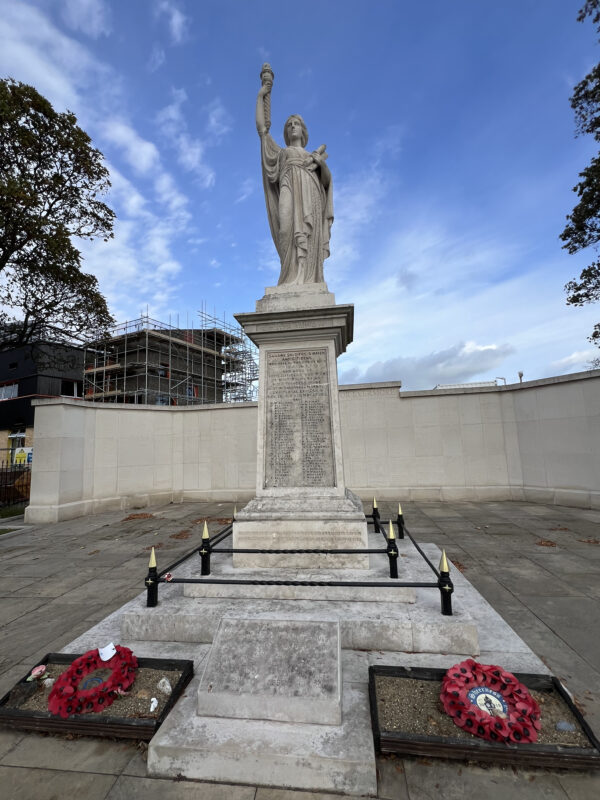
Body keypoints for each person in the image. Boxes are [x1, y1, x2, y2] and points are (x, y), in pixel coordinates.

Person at [256, 67, 333, 286]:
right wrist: (262, 94)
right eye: (289, 125)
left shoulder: (311, 155)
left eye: (296, 124)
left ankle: (305, 277)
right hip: (288, 184)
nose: (292, 127)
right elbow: (262, 130)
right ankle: (288, 275)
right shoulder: (282, 153)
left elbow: (327, 182)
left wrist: (320, 164)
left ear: (303, 130)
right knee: (285, 227)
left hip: (310, 192)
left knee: (306, 233)